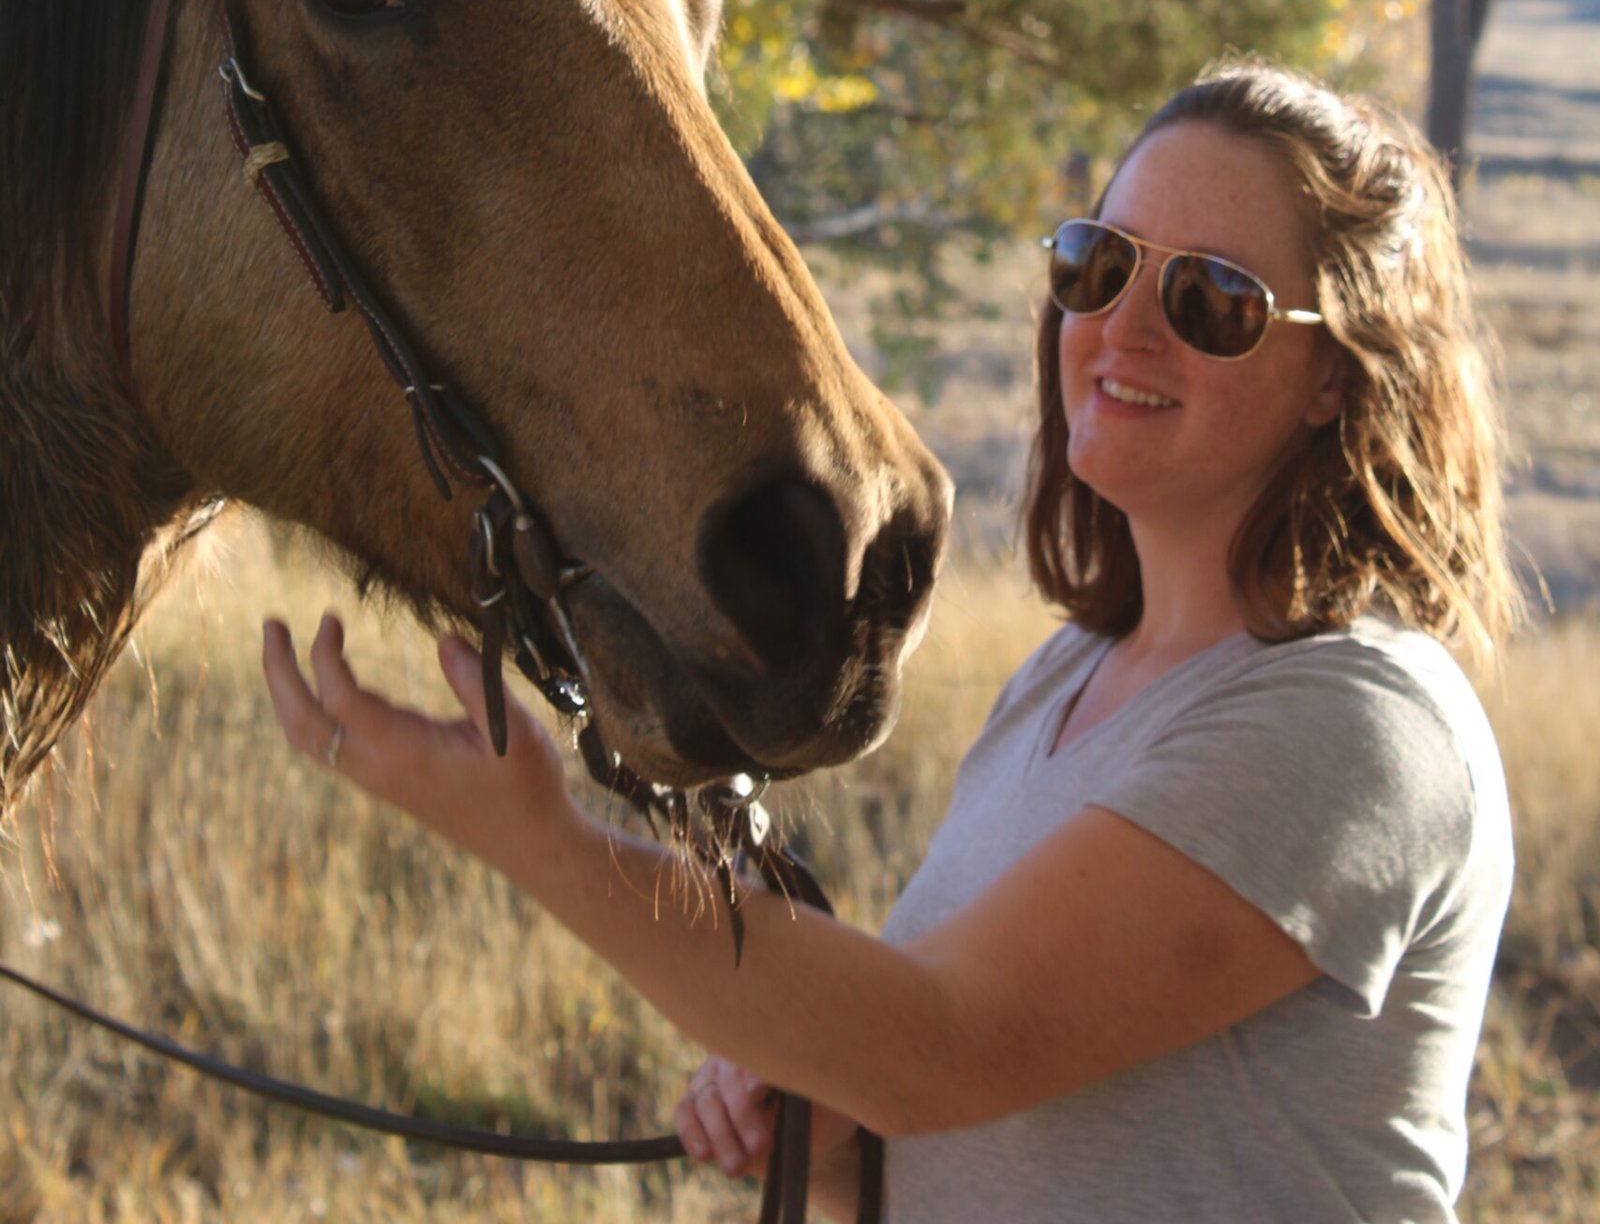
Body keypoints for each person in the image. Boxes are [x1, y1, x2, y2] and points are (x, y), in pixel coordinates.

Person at [263, 60, 1517, 1223]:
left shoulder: (1350, 724)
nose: (1124, 328)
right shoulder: (1069, 680)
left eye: (1210, 300)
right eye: (1099, 262)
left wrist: (534, 837)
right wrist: (838, 1135)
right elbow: (962, 1108)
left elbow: (946, 1047)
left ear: (1336, 378)